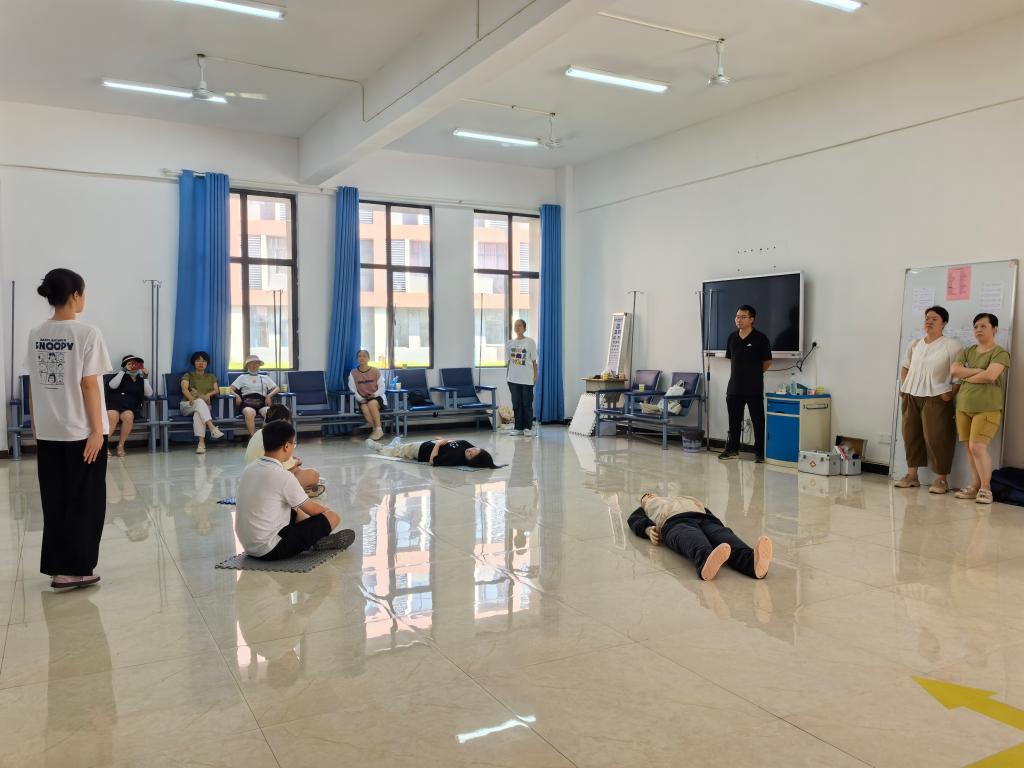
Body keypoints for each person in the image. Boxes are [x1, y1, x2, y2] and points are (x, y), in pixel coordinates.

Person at [25, 268, 112, 590]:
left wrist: (37, 425)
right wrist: (96, 431)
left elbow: (33, 383)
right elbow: (89, 385)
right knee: (85, 501)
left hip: (49, 432)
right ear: (75, 295)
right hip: (81, 431)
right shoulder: (87, 333)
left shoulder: (36, 333)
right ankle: (75, 570)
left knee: (55, 501)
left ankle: (57, 567)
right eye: (83, 292)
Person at [235, 420, 355, 560]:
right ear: (286, 446)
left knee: (296, 509)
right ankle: (315, 540)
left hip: (248, 546)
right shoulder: (283, 476)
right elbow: (313, 510)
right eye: (294, 444)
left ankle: (313, 538)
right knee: (333, 517)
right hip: (270, 549)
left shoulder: (249, 469)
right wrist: (326, 514)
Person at [627, 492, 773, 581]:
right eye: (645, 497)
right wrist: (647, 529)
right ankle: (705, 561)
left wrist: (717, 524)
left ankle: (752, 563)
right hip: (674, 522)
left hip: (704, 519)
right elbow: (634, 519)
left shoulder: (678, 498)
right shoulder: (646, 508)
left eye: (650, 494)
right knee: (692, 539)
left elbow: (706, 510)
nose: (649, 495)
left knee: (725, 537)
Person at [894, 306, 962, 493]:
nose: (929, 321)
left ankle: (941, 479)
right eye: (927, 318)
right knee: (910, 435)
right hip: (911, 395)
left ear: (944, 323)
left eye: (934, 318)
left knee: (938, 437)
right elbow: (905, 366)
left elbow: (957, 374)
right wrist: (905, 387)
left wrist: (950, 394)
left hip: (937, 396)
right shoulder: (915, 344)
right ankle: (911, 476)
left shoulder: (952, 345)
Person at [950, 313, 1010, 505]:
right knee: (969, 449)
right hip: (963, 406)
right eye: (976, 326)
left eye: (983, 326)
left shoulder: (1000, 353)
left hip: (987, 408)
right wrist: (978, 371)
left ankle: (986, 488)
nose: (978, 330)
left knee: (977, 447)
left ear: (995, 329)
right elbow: (954, 371)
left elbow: (991, 376)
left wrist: (967, 375)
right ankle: (975, 486)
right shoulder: (967, 351)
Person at [719, 305, 772, 463]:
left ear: (751, 319)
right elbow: (732, 359)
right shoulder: (732, 337)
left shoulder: (760, 338)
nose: (739, 320)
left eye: (743, 317)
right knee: (734, 422)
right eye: (737, 317)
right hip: (734, 387)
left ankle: (759, 453)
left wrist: (754, 374)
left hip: (753, 388)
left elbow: (767, 362)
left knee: (758, 422)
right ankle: (732, 450)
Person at [244, 403, 325, 497]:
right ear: (283, 420)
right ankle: (297, 491)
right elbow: (284, 468)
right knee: (313, 474)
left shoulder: (259, 432)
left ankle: (299, 488)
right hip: (267, 482)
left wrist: (293, 463)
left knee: (300, 471)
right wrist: (295, 464)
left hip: (253, 478)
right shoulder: (278, 435)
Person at [105, 354, 153, 458]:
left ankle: (120, 446)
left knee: (128, 416)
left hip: (129, 407)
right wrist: (123, 371)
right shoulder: (119, 375)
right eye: (130, 363)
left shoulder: (140, 379)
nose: (133, 366)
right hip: (114, 404)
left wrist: (145, 378)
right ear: (124, 365)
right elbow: (112, 386)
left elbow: (149, 393)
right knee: (113, 416)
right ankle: (103, 446)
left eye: (136, 363)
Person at [180, 351, 224, 454]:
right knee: (199, 402)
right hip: (187, 405)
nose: (201, 363)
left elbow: (216, 390)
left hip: (203, 407)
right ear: (193, 363)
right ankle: (212, 428)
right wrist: (191, 398)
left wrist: (208, 395)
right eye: (198, 361)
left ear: (207, 363)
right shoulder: (188, 375)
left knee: (198, 414)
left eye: (204, 361)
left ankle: (201, 444)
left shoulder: (211, 376)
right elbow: (184, 388)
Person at [371, 435, 497, 468]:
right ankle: (393, 445)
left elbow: (433, 461)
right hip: (427, 443)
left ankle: (380, 448)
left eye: (470, 454)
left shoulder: (454, 458)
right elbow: (453, 443)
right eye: (474, 449)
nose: (470, 450)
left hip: (421, 451)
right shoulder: (468, 446)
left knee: (398, 451)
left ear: (469, 461)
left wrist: (438, 444)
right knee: (402, 447)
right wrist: (442, 440)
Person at [231, 355, 281, 436]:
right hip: (247, 403)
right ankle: (253, 437)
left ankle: (263, 437)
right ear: (247, 365)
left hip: (262, 403)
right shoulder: (242, 377)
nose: (254, 365)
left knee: (270, 412)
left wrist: (269, 395)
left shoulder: (265, 377)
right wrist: (236, 396)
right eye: (251, 363)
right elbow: (230, 389)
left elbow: (277, 388)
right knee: (249, 413)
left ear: (259, 365)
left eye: (256, 363)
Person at [506, 318, 539, 436]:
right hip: (513, 379)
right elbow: (509, 362)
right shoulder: (509, 343)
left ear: (524, 328)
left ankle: (527, 428)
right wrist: (507, 377)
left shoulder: (530, 342)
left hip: (527, 379)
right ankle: (518, 427)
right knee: (516, 404)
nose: (517, 327)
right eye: (515, 325)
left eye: (519, 325)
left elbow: (534, 362)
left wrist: (535, 376)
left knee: (527, 404)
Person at [349, 349, 386, 441]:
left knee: (371, 404)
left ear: (368, 358)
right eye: (359, 356)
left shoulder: (375, 371)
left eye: (364, 356)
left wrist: (374, 395)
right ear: (357, 359)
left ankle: (379, 429)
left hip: (376, 397)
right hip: (363, 399)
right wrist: (360, 399)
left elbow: (382, 387)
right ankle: (375, 430)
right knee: (364, 408)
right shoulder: (353, 373)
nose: (362, 358)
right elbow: (352, 389)